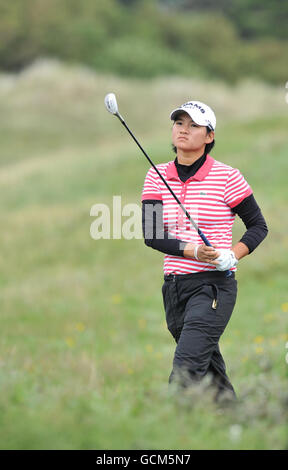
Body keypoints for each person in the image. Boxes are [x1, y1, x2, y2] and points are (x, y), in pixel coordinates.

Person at [141, 100, 268, 401]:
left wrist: (232, 254)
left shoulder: (227, 177)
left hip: (213, 287)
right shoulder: (156, 175)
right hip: (174, 287)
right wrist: (193, 251)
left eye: (193, 125)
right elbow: (152, 235)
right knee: (209, 369)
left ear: (209, 136)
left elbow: (258, 227)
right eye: (179, 123)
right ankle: (235, 421)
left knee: (186, 369)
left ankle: (169, 428)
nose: (183, 130)